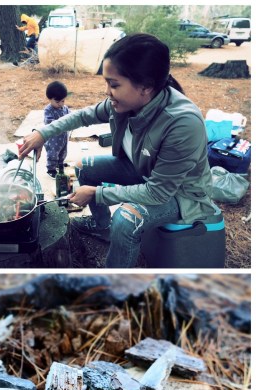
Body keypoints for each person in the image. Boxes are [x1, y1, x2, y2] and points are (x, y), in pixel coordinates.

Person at [19, 34, 218, 268]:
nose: (107, 92)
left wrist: (97, 193)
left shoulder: (182, 124)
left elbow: (158, 193)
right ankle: (102, 226)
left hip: (180, 194)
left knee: (125, 219)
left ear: (145, 86)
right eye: (107, 83)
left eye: (114, 85)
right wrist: (43, 133)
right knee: (85, 166)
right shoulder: (124, 103)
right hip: (141, 170)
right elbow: (84, 115)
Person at [43, 81, 71, 177]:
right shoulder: (48, 110)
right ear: (50, 99)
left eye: (63, 101)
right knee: (53, 154)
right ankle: (51, 169)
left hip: (63, 137)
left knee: (63, 152)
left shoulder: (65, 108)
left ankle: (60, 164)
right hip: (53, 139)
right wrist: (62, 123)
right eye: (57, 102)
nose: (60, 104)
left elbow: (71, 116)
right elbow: (49, 122)